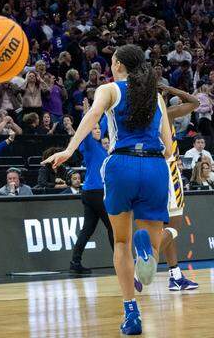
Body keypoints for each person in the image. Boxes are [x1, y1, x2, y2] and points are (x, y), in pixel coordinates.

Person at [43, 44, 173, 335]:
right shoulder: (156, 97)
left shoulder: (110, 90)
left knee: (122, 244)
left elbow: (90, 118)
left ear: (117, 65)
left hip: (121, 166)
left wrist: (69, 149)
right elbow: (167, 145)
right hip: (154, 167)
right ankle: (147, 255)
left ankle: (131, 313)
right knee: (150, 252)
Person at [152, 84, 200, 291]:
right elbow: (195, 102)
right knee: (174, 227)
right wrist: (169, 88)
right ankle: (144, 264)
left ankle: (175, 275)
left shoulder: (138, 118)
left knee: (164, 229)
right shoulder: (166, 114)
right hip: (168, 170)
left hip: (148, 171)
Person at [69, 114, 114, 274]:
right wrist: (88, 113)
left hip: (89, 192)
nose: (97, 130)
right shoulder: (89, 144)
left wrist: (107, 109)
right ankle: (120, 260)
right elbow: (87, 127)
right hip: (96, 192)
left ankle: (75, 262)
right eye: (94, 129)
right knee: (112, 226)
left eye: (98, 129)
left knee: (87, 229)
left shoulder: (99, 147)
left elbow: (103, 122)